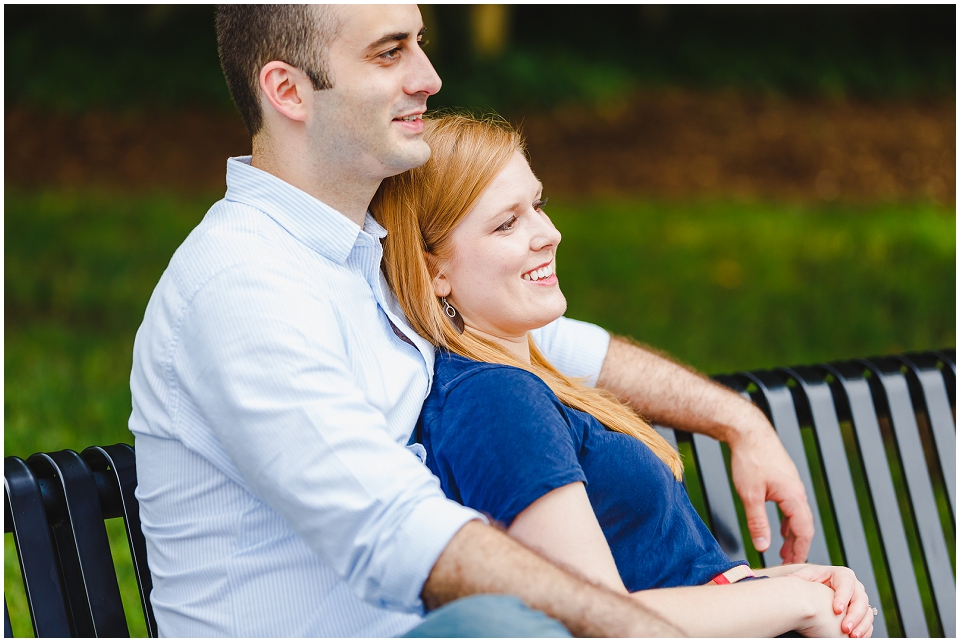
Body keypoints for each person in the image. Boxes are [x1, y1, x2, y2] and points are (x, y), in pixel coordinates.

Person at [129, 4, 807, 636]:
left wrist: (735, 419)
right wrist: (631, 627)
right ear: (288, 91)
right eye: (389, 53)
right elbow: (392, 529)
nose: (428, 77)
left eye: (418, 43)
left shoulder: (363, 259)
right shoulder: (245, 286)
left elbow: (551, 343)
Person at [373, 112, 877, 638]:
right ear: (435, 272)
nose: (549, 234)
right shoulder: (495, 399)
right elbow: (595, 618)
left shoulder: (523, 378)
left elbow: (648, 582)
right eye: (507, 223)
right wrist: (796, 601)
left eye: (537, 205)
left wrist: (783, 584)